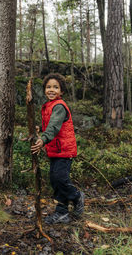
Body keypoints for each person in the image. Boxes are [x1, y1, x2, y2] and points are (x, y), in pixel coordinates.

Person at [31, 73, 84, 224]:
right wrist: (40, 128)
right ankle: (62, 213)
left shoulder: (59, 106)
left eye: (55, 87)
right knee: (55, 180)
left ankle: (77, 196)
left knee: (61, 178)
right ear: (44, 90)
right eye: (48, 87)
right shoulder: (49, 106)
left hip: (64, 150)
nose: (51, 90)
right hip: (55, 150)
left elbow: (54, 127)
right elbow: (51, 124)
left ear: (61, 91)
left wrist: (43, 139)